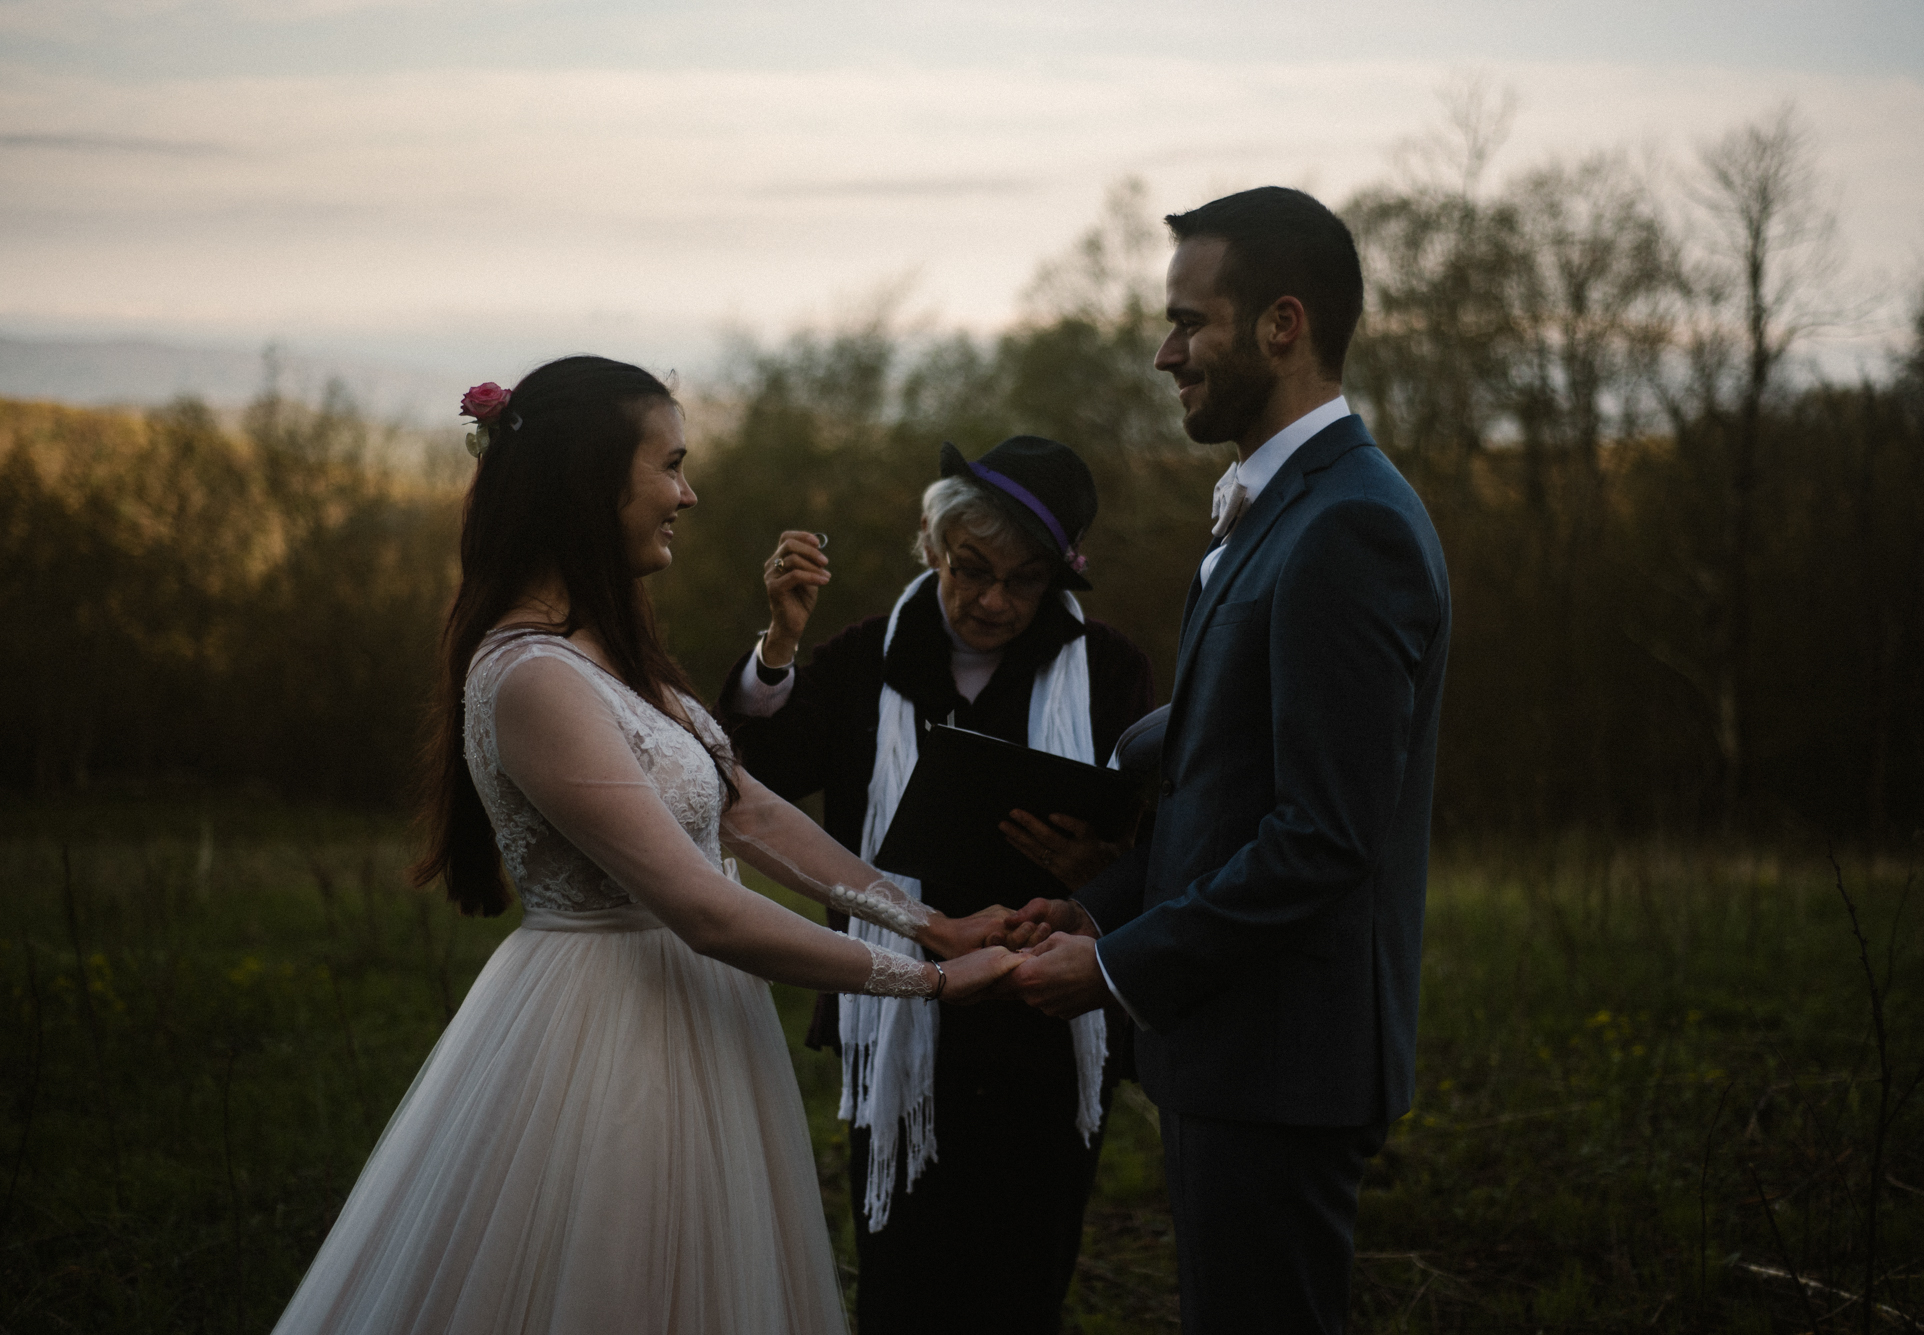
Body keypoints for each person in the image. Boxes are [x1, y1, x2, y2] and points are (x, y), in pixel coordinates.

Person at [271, 356, 1020, 1335]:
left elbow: (744, 812)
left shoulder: (609, 654)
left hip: (698, 1022)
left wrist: (933, 924)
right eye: (668, 466)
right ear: (594, 482)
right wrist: (921, 981)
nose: (688, 493)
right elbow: (702, 905)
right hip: (600, 1041)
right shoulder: (532, 676)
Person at [1001, 187, 1453, 1334]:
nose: (1165, 354)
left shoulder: (1349, 525)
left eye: (1189, 323)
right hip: (1231, 1055)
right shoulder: (1272, 510)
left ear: (1281, 324)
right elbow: (1227, 779)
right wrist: (1101, 909)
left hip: (1284, 1070)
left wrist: (1115, 972)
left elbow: (1323, 836)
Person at [716, 436, 1155, 1335]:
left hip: (1048, 1009)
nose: (994, 599)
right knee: (904, 1276)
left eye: (1024, 579)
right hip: (902, 1010)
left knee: (1025, 1276)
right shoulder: (863, 657)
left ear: (1059, 578)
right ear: (931, 543)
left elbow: (1151, 837)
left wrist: (1102, 877)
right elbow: (753, 776)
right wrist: (778, 646)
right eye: (972, 568)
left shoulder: (1106, 668)